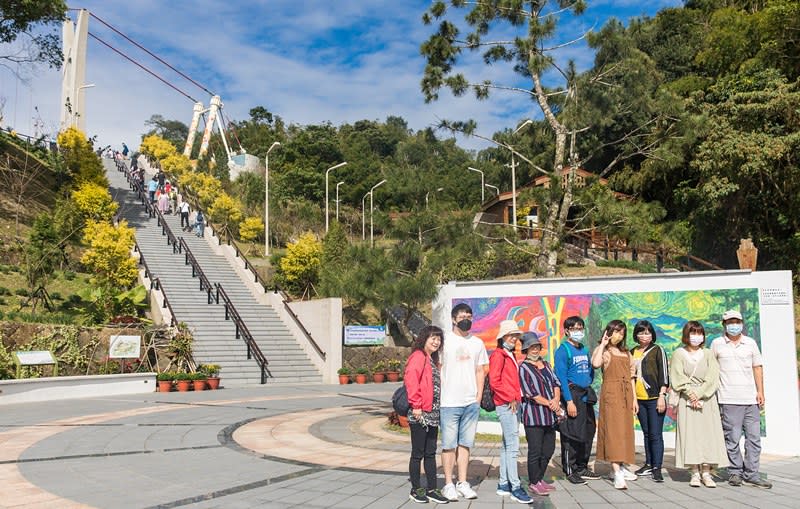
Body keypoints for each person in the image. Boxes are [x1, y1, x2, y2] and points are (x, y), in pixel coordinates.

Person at [711, 310, 772, 489]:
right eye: (730, 322)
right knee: (733, 438)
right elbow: (712, 370)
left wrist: (760, 391)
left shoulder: (750, 343)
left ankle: (752, 474)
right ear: (724, 325)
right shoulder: (717, 344)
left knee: (754, 439)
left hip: (750, 399)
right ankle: (735, 472)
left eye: (737, 321)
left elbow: (757, 367)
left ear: (742, 323)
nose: (734, 325)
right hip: (728, 399)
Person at [439, 303, 488, 502]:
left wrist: (477, 397)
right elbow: (438, 367)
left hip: (470, 402)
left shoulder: (477, 343)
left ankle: (462, 482)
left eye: (469, 315)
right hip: (449, 402)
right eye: (461, 316)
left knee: (465, 444)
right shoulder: (445, 341)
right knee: (449, 445)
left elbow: (480, 371)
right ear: (453, 319)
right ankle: (448, 484)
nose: (466, 318)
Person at [670, 321, 727, 488]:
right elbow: (677, 376)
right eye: (693, 333)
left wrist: (700, 394)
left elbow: (713, 377)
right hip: (687, 399)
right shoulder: (679, 354)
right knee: (690, 434)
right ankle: (694, 472)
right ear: (686, 335)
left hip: (707, 399)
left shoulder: (708, 354)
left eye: (699, 333)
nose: (696, 337)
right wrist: (690, 394)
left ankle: (707, 472)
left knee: (709, 434)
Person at [489, 320, 533, 504]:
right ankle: (515, 486)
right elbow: (494, 382)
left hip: (512, 402)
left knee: (507, 444)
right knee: (513, 446)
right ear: (503, 337)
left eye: (516, 336)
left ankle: (503, 483)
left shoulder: (509, 354)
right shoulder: (499, 355)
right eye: (511, 335)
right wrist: (511, 397)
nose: (514, 338)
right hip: (507, 404)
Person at [405, 325, 450, 504]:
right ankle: (416, 489)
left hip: (432, 413)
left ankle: (432, 489)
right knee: (418, 453)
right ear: (424, 338)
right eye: (433, 338)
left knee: (430, 453)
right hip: (420, 413)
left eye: (439, 339)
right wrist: (416, 406)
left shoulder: (432, 358)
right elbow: (411, 380)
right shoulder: (418, 356)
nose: (436, 341)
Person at [591, 320, 638, 490]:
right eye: (616, 332)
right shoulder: (605, 350)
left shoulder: (626, 352)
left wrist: (634, 399)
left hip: (626, 393)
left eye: (622, 333)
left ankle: (622, 466)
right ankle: (616, 471)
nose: (619, 336)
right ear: (609, 332)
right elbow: (595, 364)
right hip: (611, 393)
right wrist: (603, 344)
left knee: (625, 431)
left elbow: (632, 376)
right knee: (613, 431)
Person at [554, 316, 599, 485]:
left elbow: (590, 370)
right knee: (571, 433)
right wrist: (569, 401)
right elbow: (561, 378)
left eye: (580, 328)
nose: (578, 331)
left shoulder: (584, 350)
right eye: (574, 328)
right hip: (572, 396)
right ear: (567, 331)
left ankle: (582, 466)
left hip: (585, 396)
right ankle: (570, 469)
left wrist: (588, 383)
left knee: (588, 431)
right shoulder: (563, 350)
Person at [519, 332, 561, 497]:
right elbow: (530, 393)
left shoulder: (547, 365)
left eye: (537, 347)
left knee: (549, 449)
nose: (535, 350)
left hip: (550, 416)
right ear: (526, 349)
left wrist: (556, 399)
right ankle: (533, 482)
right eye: (531, 347)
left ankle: (539, 478)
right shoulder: (523, 367)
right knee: (535, 451)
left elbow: (556, 382)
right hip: (534, 416)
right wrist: (550, 403)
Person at [631, 320, 669, 482]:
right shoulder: (632, 351)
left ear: (652, 334)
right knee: (646, 434)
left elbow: (664, 375)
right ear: (636, 335)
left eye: (647, 332)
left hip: (655, 398)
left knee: (655, 434)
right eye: (641, 332)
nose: (644, 336)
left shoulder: (657, 350)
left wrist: (662, 395)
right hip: (639, 399)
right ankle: (648, 463)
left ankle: (657, 468)